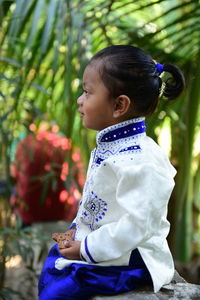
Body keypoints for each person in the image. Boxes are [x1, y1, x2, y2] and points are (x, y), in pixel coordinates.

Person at [38, 45, 185, 300]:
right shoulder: (113, 147)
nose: (79, 100)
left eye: (87, 92)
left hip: (130, 260)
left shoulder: (141, 161)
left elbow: (136, 226)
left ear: (119, 105)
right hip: (107, 248)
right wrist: (76, 230)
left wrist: (86, 248)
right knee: (54, 263)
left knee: (61, 289)